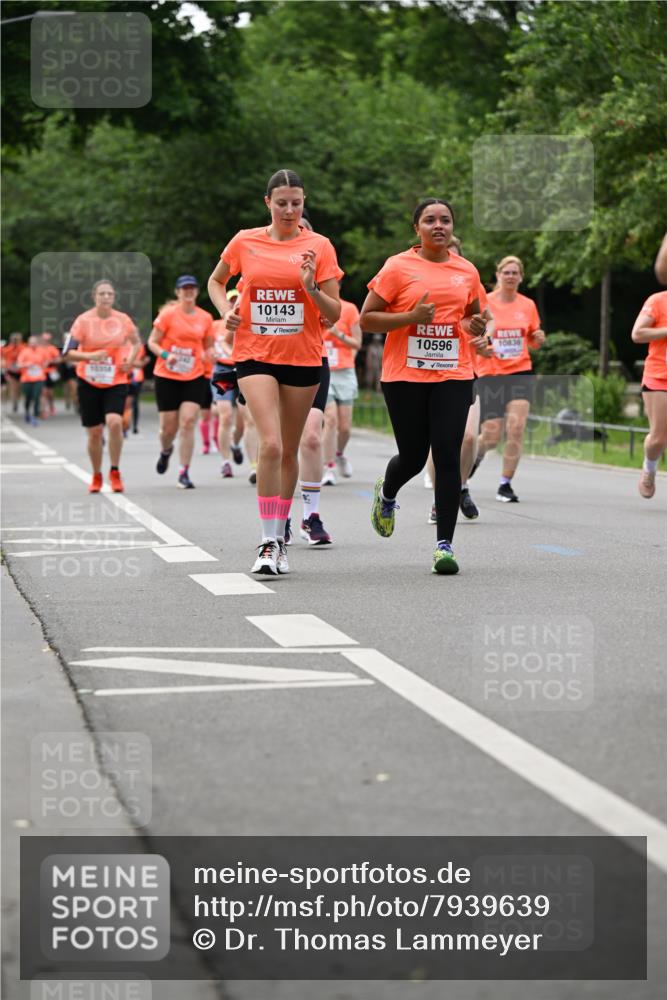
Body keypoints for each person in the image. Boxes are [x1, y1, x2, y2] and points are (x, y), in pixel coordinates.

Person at [207, 168, 342, 575]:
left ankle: (282, 536)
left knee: (287, 449)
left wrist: (311, 287)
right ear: (267, 203)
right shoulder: (245, 240)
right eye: (281, 203)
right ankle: (268, 540)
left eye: (296, 203)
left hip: (302, 357)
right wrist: (226, 311)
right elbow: (216, 282)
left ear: (304, 203)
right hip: (255, 353)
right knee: (269, 444)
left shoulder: (319, 245)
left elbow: (335, 313)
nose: (289, 210)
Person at [360, 198, 488, 575]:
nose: (438, 226)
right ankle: (387, 493)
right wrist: (411, 317)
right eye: (430, 220)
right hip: (405, 374)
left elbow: (472, 317)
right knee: (414, 457)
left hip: (453, 371)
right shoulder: (398, 267)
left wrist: (477, 328)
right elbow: (367, 319)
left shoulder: (466, 270)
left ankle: (444, 546)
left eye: (445, 220)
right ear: (416, 228)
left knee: (447, 454)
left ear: (453, 227)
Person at [425, 236, 494, 524]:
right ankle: (440, 499)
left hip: (465, 370)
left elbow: (485, 321)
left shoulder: (469, 280)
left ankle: (461, 486)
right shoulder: (419, 280)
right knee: (438, 441)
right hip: (428, 372)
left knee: (467, 437)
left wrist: (484, 340)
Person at [471, 255, 545, 502]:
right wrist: (482, 347)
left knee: (516, 428)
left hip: (520, 372)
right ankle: (472, 460)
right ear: (498, 275)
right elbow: (472, 336)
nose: (511, 276)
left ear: (521, 277)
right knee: (491, 436)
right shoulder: (485, 302)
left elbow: (532, 340)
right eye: (507, 272)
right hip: (491, 373)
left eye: (515, 273)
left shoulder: (528, 305)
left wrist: (537, 339)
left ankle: (505, 485)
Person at [63, 279, 140, 492]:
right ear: (94, 297)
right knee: (95, 432)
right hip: (89, 381)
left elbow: (136, 343)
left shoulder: (123, 320)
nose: (106, 297)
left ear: (114, 297)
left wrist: (130, 360)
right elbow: (68, 353)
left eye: (109, 294)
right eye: (102, 294)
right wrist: (90, 356)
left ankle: (114, 471)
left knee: (115, 422)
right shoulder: (83, 321)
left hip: (115, 380)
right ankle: (96, 474)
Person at [147, 275, 215, 489]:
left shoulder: (205, 318)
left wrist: (209, 354)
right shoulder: (168, 315)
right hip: (166, 375)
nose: (188, 291)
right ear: (177, 292)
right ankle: (166, 449)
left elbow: (208, 346)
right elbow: (152, 342)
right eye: (184, 288)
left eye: (192, 288)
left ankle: (184, 472)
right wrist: (166, 355)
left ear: (197, 292)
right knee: (168, 429)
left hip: (194, 375)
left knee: (187, 422)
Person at [322, 291, 363, 484]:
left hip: (344, 372)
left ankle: (338, 454)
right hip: (323, 369)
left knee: (345, 426)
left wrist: (337, 333)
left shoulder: (349, 309)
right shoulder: (314, 304)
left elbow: (357, 343)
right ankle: (329, 467)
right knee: (330, 419)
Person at [631, 289, 667, 498]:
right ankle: (650, 468)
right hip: (660, 376)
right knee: (658, 439)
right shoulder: (658, 301)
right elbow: (638, 334)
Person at [17, 335, 47, 426]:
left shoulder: (42, 351)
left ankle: (35, 416)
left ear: (37, 343)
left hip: (39, 378)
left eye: (34, 342)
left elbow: (46, 361)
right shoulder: (24, 352)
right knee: (28, 397)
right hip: (27, 379)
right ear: (29, 343)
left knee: (36, 396)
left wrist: (43, 364)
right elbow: (18, 364)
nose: (33, 344)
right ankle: (27, 412)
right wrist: (26, 365)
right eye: (31, 342)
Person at [40, 332, 61, 418]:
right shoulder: (38, 348)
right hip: (41, 373)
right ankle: (43, 411)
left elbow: (59, 359)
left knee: (50, 393)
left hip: (50, 372)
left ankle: (51, 406)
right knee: (43, 392)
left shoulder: (52, 348)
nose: (46, 341)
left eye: (47, 340)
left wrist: (50, 362)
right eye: (44, 340)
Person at [1, 333, 24, 413]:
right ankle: (14, 402)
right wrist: (7, 365)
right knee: (13, 387)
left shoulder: (23, 348)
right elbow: (3, 358)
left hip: (21, 371)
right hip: (11, 371)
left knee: (19, 388)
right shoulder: (7, 349)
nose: (15, 341)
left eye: (16, 340)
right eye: (13, 340)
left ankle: (17, 399)